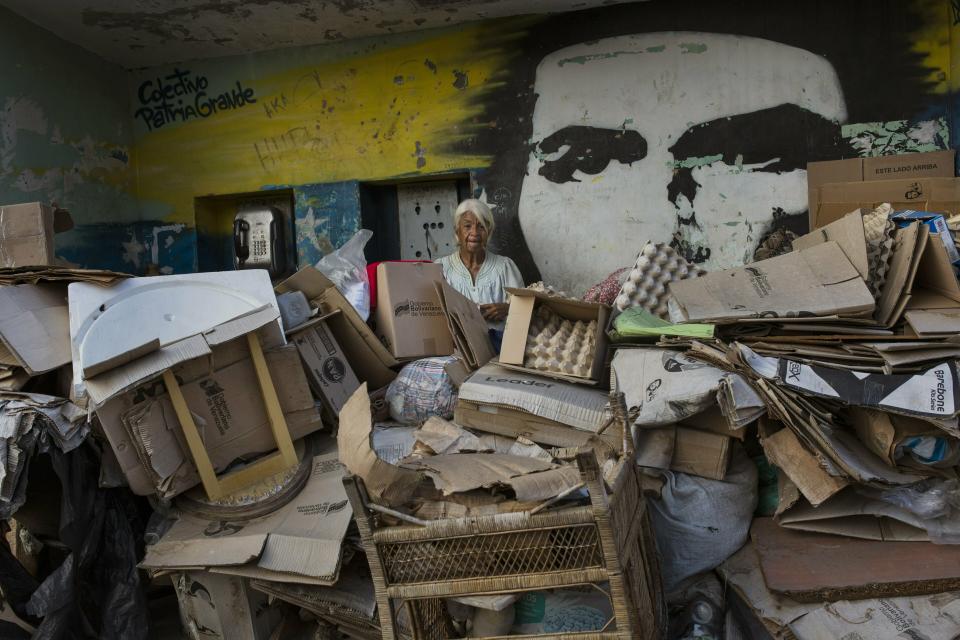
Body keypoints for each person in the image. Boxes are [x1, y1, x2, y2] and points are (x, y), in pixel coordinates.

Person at [436, 198, 524, 348]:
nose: (474, 233)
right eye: (467, 226)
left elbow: (525, 310)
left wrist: (508, 309)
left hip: (500, 349)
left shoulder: (505, 266)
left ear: (489, 231)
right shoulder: (440, 268)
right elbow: (433, 315)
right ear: (457, 230)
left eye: (481, 226)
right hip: (457, 350)